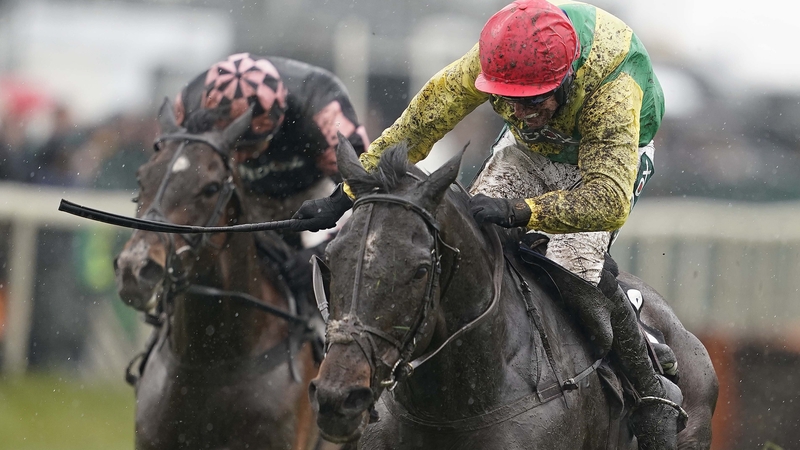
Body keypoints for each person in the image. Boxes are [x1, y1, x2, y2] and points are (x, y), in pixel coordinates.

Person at [293, 1, 683, 448]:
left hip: (601, 166)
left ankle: (649, 389)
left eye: (535, 101)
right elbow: (415, 129)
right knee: (474, 240)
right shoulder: (491, 59)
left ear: (568, 78)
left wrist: (523, 212)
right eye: (509, 101)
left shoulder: (614, 91)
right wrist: (344, 195)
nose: (520, 114)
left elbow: (607, 201)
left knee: (575, 263)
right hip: (529, 154)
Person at [174, 52, 369, 295]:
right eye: (231, 145)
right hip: (241, 193)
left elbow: (367, 192)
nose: (241, 157)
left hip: (312, 192)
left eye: (248, 146)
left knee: (333, 275)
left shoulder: (321, 106)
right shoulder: (188, 104)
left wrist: (323, 252)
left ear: (278, 123)